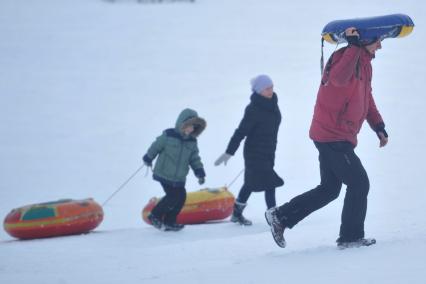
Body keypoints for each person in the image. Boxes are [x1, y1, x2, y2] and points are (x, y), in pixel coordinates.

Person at [265, 27, 388, 248]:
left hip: (336, 135)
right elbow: (339, 79)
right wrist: (352, 46)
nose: (380, 45)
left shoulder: (365, 66)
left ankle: (281, 216)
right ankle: (350, 237)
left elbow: (366, 98)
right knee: (359, 183)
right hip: (332, 135)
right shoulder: (343, 58)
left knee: (330, 189)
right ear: (364, 41)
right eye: (377, 41)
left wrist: (378, 125)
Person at [215, 75, 284, 225]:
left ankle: (236, 213)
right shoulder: (253, 109)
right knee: (270, 182)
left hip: (269, 151)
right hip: (254, 153)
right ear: (259, 90)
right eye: (267, 88)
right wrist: (229, 152)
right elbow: (241, 132)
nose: (271, 90)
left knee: (250, 183)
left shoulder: (273, 103)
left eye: (272, 87)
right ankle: (273, 216)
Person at [143, 108, 206, 231]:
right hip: (164, 173)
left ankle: (170, 221)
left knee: (181, 197)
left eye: (194, 127)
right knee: (173, 196)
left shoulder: (192, 142)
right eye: (190, 126)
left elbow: (194, 158)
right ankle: (155, 215)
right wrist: (148, 157)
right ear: (183, 124)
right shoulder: (168, 135)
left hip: (179, 177)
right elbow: (156, 146)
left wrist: (199, 172)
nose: (192, 129)